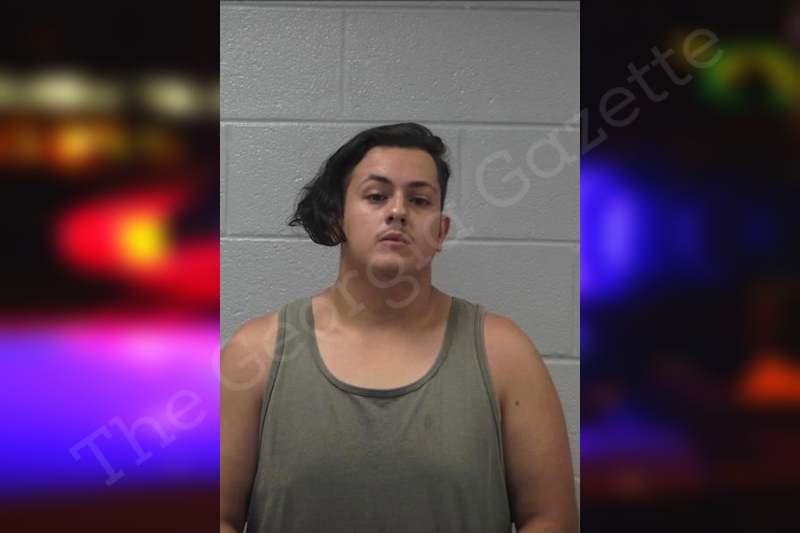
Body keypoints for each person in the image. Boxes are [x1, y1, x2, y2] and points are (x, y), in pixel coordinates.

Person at [220, 123, 578, 533]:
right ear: (336, 220)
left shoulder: (505, 355)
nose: (398, 211)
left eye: (420, 200)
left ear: (440, 232)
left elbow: (551, 519)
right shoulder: (259, 353)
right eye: (376, 196)